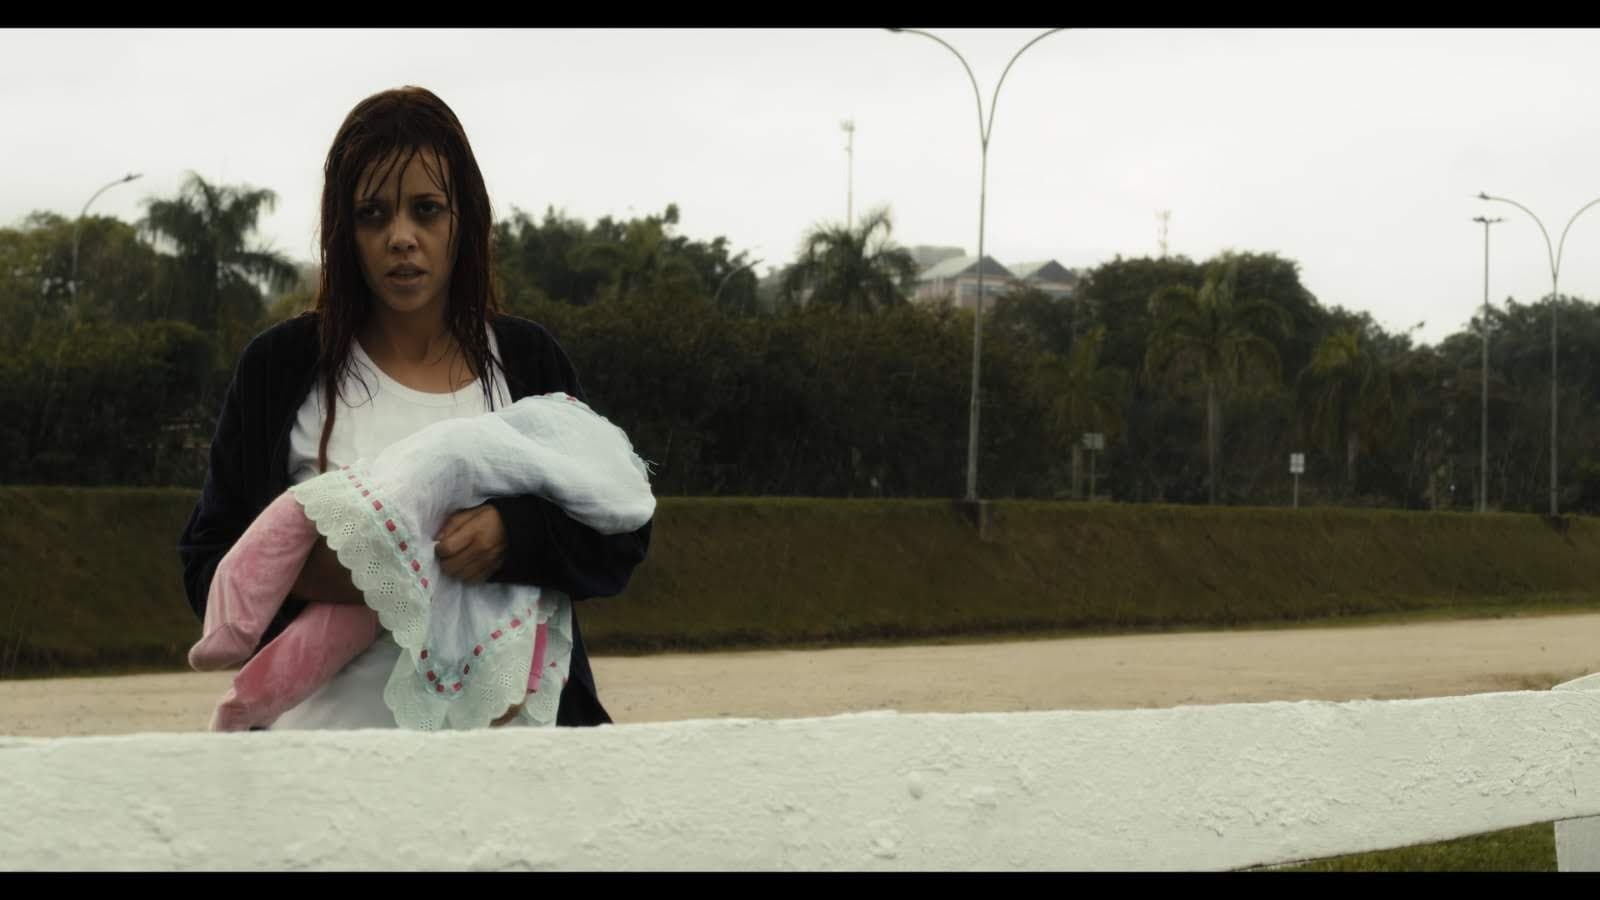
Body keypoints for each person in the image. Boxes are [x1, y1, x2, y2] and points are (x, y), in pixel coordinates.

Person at [177, 85, 651, 730]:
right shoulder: (280, 367)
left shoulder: (528, 360)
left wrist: (513, 536)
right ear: (344, 230)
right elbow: (209, 562)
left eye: (426, 210)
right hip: (321, 761)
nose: (401, 237)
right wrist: (347, 569)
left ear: (464, 219)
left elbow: (620, 528)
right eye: (373, 214)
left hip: (515, 767)